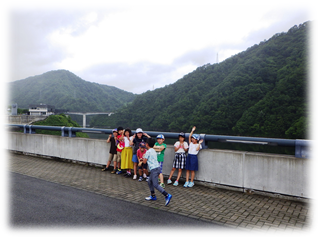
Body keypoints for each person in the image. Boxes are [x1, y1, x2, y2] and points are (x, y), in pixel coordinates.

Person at [141, 138, 172, 206]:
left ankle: (167, 195)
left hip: (154, 169)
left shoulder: (148, 152)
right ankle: (153, 196)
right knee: (149, 181)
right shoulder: (153, 150)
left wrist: (142, 159)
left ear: (147, 144)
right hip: (157, 168)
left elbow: (144, 162)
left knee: (155, 184)